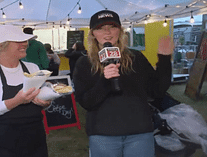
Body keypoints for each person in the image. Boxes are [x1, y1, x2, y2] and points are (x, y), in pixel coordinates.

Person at [73, 10, 174, 157]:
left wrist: (164, 60)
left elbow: (156, 92)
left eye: (112, 27)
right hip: (103, 134)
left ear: (120, 31)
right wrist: (106, 81)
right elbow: (86, 102)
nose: (107, 32)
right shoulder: (84, 63)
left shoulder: (136, 57)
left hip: (139, 133)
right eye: (100, 28)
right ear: (93, 33)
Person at [0, 25, 52, 157]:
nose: (25, 44)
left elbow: (43, 102)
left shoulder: (32, 68)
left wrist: (46, 102)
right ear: (1, 45)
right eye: (19, 41)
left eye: (25, 40)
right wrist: (17, 101)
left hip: (34, 140)